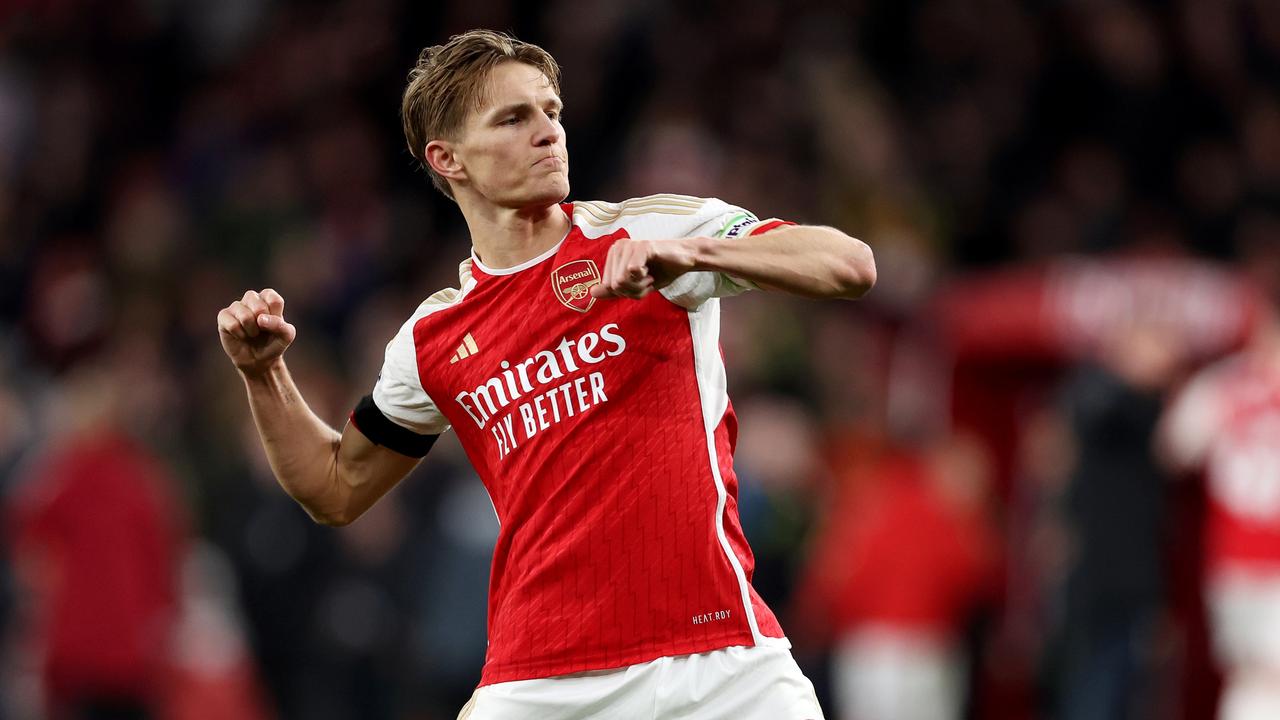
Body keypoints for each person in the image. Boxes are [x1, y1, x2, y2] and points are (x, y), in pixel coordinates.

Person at [216, 29, 875, 719]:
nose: (548, 133)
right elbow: (335, 488)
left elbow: (850, 267)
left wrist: (695, 255)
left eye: (552, 112)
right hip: (542, 682)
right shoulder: (432, 340)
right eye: (513, 118)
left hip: (721, 663)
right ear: (448, 159)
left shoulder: (646, 232)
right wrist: (265, 378)